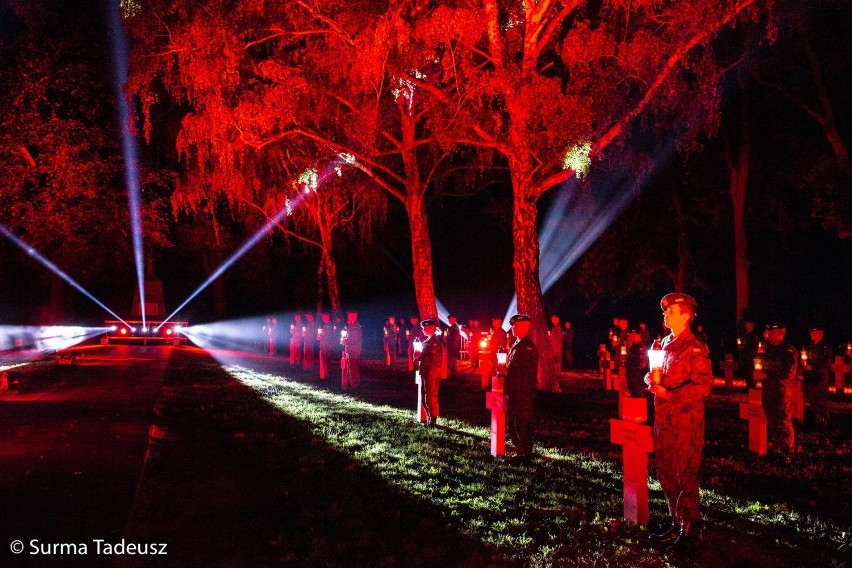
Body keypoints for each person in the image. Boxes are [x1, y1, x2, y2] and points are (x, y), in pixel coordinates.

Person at [645, 293, 714, 553]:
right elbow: (659, 372)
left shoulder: (694, 347)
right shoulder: (664, 343)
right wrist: (650, 380)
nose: (665, 315)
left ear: (685, 315)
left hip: (686, 422)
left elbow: (703, 386)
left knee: (685, 473)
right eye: (665, 312)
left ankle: (690, 527)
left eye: (670, 311)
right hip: (664, 420)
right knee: (665, 470)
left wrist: (670, 394)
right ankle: (675, 521)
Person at [504, 314, 539, 463]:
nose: (512, 329)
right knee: (512, 421)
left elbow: (526, 372)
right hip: (515, 390)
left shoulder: (527, 347)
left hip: (522, 391)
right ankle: (520, 450)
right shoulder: (517, 344)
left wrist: (508, 373)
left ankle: (524, 455)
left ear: (524, 327)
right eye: (512, 326)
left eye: (515, 326)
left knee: (521, 422)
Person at [762, 322, 797, 459]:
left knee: (783, 421)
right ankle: (777, 447)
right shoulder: (770, 350)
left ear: (781, 333)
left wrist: (767, 375)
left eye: (772, 331)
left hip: (780, 392)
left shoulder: (788, 350)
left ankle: (786, 452)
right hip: (768, 391)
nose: (768, 333)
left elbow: (789, 374)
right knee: (772, 421)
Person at [802, 327, 833, 428]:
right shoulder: (810, 347)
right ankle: (814, 418)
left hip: (820, 378)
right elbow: (807, 358)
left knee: (821, 399)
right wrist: (805, 363)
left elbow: (826, 363)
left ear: (819, 333)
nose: (811, 334)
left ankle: (823, 419)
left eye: (813, 333)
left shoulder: (825, 347)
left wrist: (813, 367)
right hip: (811, 377)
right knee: (812, 398)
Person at [416, 319, 443, 426]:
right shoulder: (427, 341)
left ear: (432, 328)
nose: (423, 329)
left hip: (431, 373)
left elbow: (435, 360)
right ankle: (429, 417)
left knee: (431, 396)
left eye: (426, 328)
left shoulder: (435, 342)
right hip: (426, 372)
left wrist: (420, 356)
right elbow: (423, 356)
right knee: (425, 395)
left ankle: (433, 419)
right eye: (423, 328)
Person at [341, 311, 362, 391]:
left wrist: (345, 341)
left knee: (353, 368)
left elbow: (355, 339)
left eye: (349, 316)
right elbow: (350, 337)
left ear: (353, 317)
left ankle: (354, 385)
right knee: (351, 367)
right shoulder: (352, 326)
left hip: (353, 350)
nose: (347, 318)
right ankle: (353, 383)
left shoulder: (355, 327)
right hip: (351, 349)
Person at [625, 328, 649, 398]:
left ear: (638, 335)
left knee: (637, 393)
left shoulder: (641, 347)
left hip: (637, 376)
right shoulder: (633, 346)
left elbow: (643, 361)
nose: (631, 337)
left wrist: (638, 371)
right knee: (632, 392)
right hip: (631, 374)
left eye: (633, 335)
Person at [738, 321, 760, 389]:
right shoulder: (745, 334)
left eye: (747, 325)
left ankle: (751, 387)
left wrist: (749, 355)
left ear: (751, 326)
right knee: (746, 372)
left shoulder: (753, 335)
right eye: (746, 325)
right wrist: (741, 347)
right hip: (744, 356)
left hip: (749, 357)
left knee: (749, 372)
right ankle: (748, 386)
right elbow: (743, 344)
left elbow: (754, 347)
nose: (746, 326)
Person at [317, 313, 332, 380]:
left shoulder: (329, 325)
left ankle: (325, 375)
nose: (322, 318)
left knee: (324, 361)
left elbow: (328, 336)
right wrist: (319, 336)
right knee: (323, 361)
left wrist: (321, 337)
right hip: (323, 345)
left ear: (327, 317)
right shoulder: (325, 325)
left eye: (323, 316)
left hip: (326, 345)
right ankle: (323, 375)